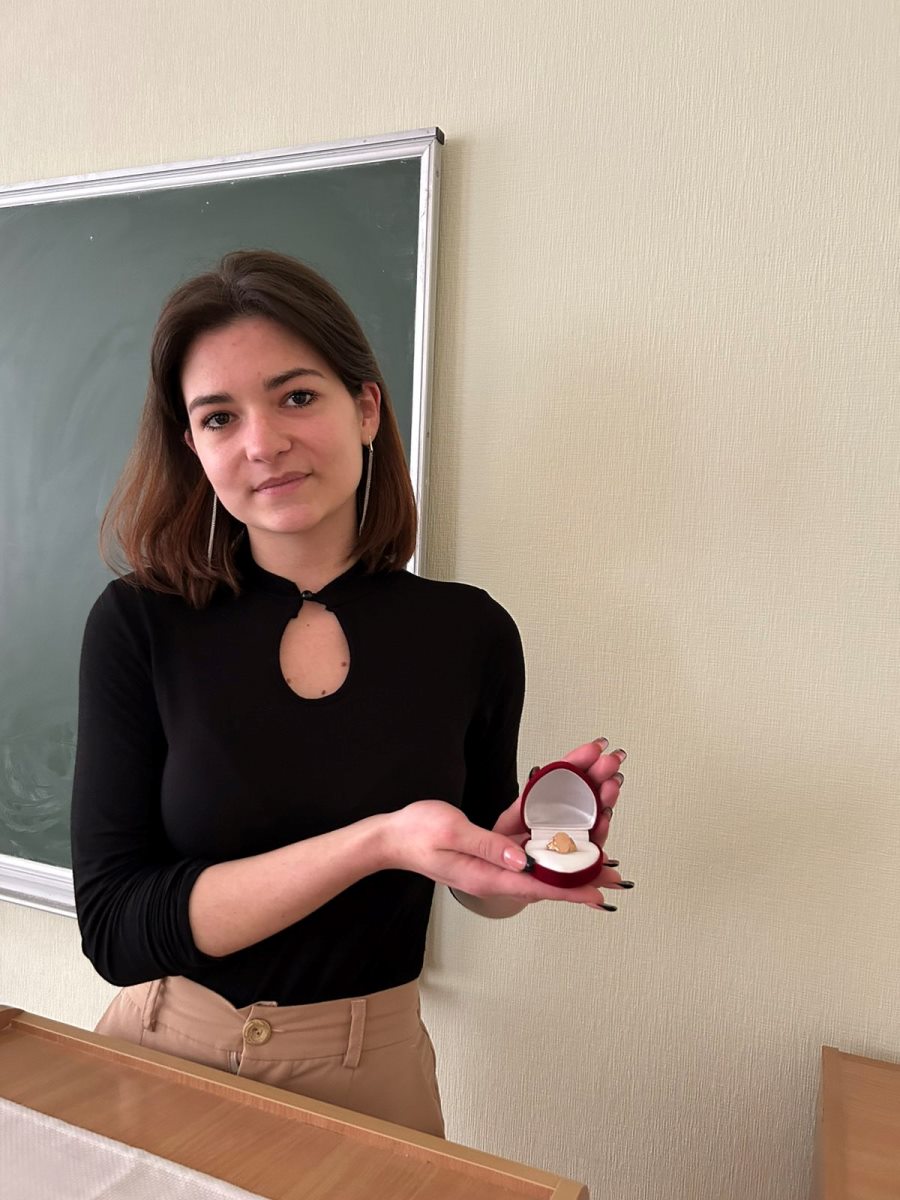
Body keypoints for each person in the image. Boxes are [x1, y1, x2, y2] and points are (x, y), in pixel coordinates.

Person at [70, 249, 630, 1138]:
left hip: (373, 1072)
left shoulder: (470, 631)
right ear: (194, 447)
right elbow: (116, 930)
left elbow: (474, 885)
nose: (262, 443)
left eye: (296, 397)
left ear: (366, 408)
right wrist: (377, 841)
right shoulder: (140, 623)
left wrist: (519, 860)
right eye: (220, 417)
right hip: (162, 1050)